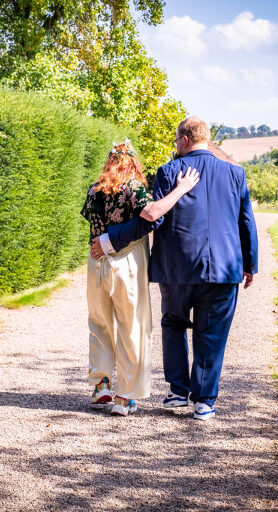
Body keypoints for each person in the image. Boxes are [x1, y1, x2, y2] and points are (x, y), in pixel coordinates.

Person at [90, 117, 258, 421]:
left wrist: (109, 240)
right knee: (212, 334)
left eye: (176, 141)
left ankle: (178, 391)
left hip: (177, 268)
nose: (176, 146)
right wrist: (250, 264)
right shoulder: (235, 173)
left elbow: (154, 218)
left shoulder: (169, 172)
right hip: (224, 269)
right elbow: (245, 220)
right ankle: (204, 402)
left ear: (184, 140)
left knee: (173, 324)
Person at [80, 140, 200, 417]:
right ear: (134, 163)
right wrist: (182, 189)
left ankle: (101, 384)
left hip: (96, 261)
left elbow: (94, 222)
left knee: (99, 323)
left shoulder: (94, 190)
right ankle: (125, 396)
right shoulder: (134, 188)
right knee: (132, 325)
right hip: (127, 262)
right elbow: (151, 213)